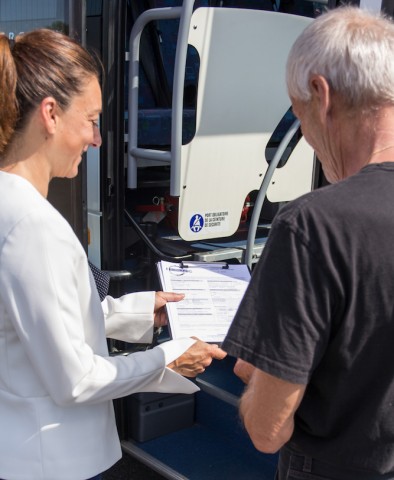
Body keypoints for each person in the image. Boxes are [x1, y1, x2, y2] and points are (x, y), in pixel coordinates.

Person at [0, 29, 226, 480]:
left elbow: (39, 324)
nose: (98, 139)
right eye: (90, 120)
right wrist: (167, 359)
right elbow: (76, 380)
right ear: (50, 114)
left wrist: (142, 312)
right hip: (56, 463)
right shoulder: (33, 227)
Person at [222, 6, 394, 480]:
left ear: (321, 95)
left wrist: (258, 376)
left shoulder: (312, 224)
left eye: (299, 120)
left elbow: (267, 429)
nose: (310, 141)